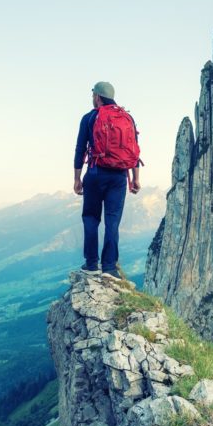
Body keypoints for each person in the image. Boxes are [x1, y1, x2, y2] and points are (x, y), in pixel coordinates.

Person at [73, 81, 141, 280]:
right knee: (113, 220)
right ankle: (110, 267)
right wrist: (135, 178)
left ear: (98, 97)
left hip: (95, 173)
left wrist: (77, 179)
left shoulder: (89, 118)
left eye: (93, 95)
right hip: (119, 176)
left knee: (91, 218)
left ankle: (92, 264)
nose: (92, 98)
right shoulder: (127, 117)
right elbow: (134, 149)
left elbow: (80, 150)